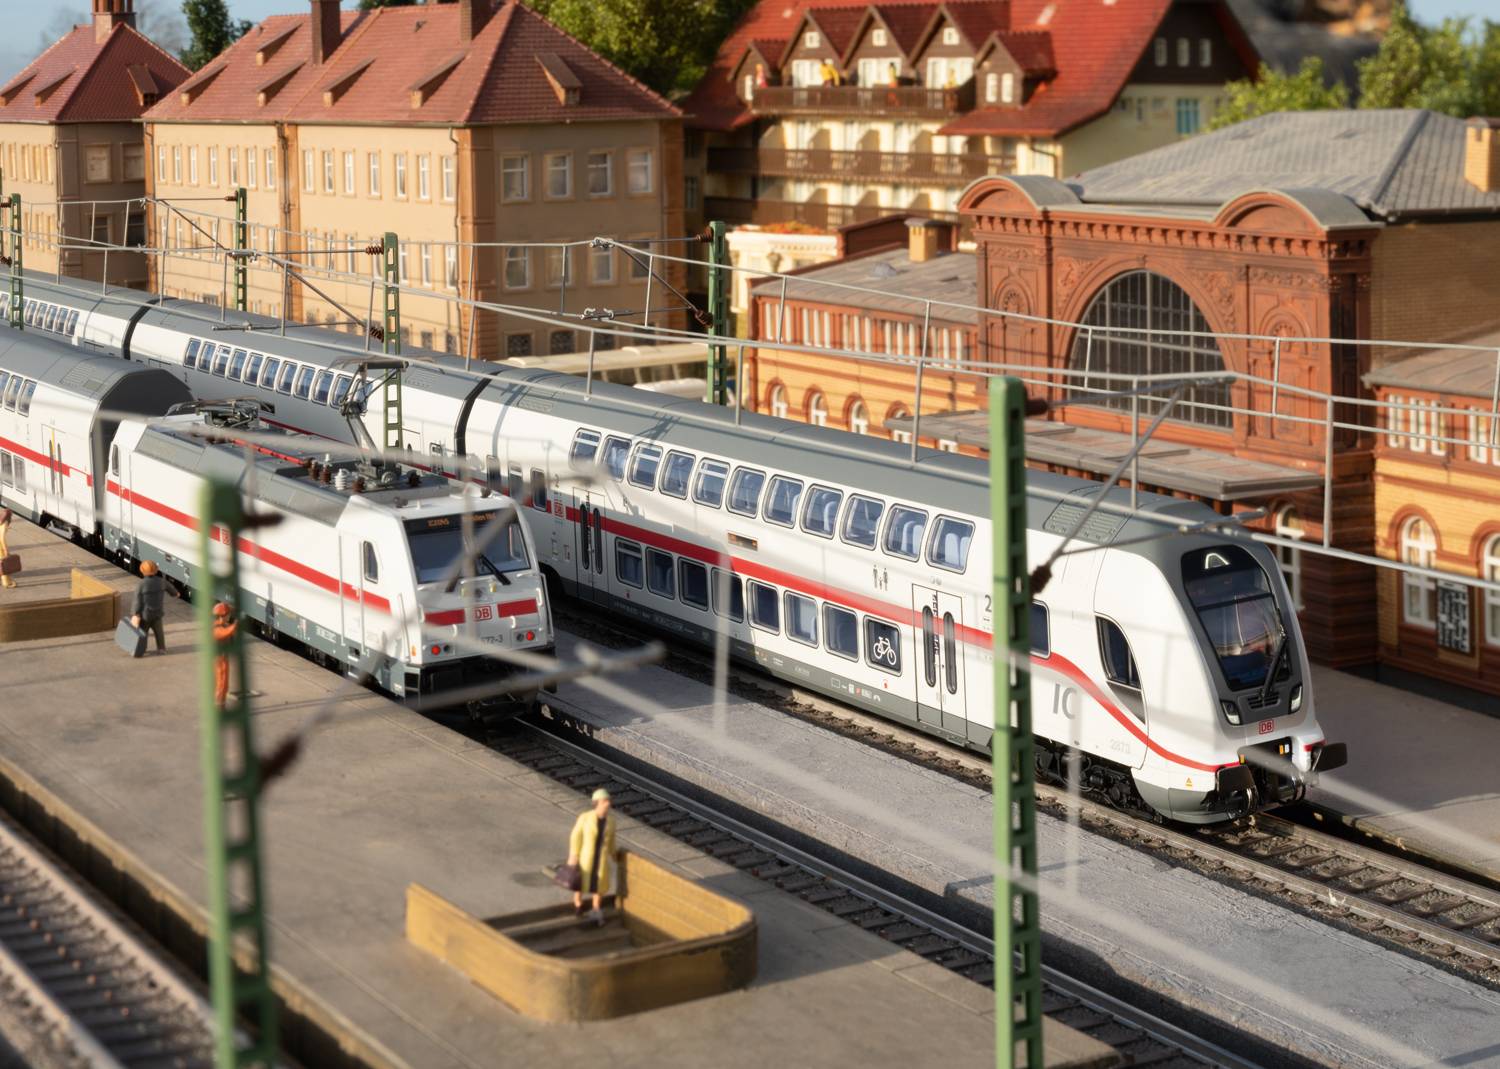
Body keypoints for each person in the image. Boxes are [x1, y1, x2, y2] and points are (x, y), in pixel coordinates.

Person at [567, 788, 617, 924]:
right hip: (586, 856)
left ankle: (596, 908)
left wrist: (614, 855)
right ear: (597, 803)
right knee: (580, 881)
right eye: (605, 801)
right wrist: (574, 855)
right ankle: (578, 904)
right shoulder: (585, 818)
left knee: (599, 884)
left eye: (608, 801)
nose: (608, 803)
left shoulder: (611, 821)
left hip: (601, 857)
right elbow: (576, 836)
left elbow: (612, 840)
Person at [129, 561, 166, 652]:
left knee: (143, 633)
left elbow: (137, 600)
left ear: (142, 571)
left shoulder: (141, 584)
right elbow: (170, 588)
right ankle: (161, 648)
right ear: (156, 570)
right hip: (157, 614)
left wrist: (135, 613)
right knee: (159, 633)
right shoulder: (161, 581)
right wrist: (175, 593)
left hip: (145, 615)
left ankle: (143, 648)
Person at [212, 602, 237, 708]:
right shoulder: (217, 628)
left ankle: (221, 704)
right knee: (221, 683)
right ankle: (219, 706)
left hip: (223, 658)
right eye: (229, 614)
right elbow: (225, 632)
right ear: (224, 615)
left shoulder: (223, 625)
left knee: (224, 684)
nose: (230, 616)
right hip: (219, 659)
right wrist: (236, 624)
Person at [0, 509, 14, 590]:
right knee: (4, 565)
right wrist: (6, 551)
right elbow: (2, 538)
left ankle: (7, 581)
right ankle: (6, 583)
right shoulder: (4, 524)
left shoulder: (1, 522)